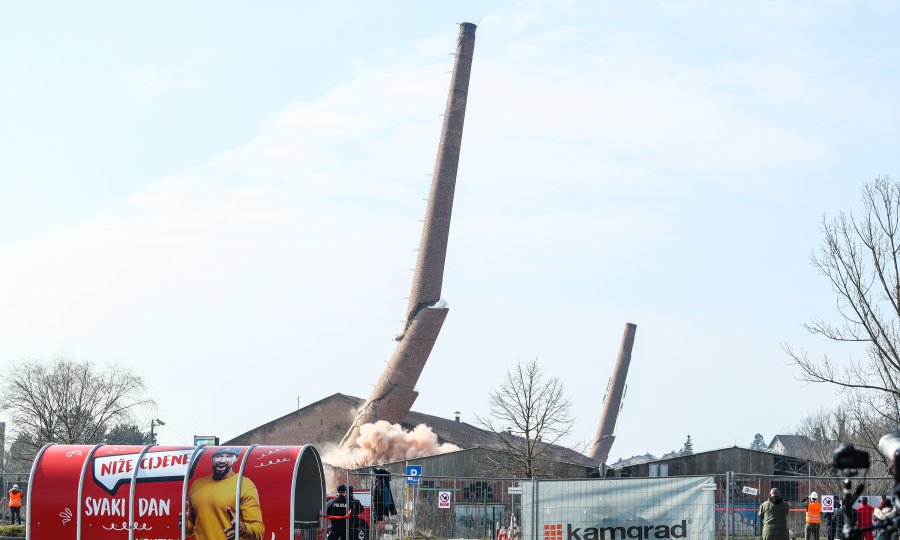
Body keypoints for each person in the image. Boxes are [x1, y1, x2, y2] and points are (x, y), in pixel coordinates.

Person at [185, 447, 265, 540]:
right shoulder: (197, 485)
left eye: (228, 456)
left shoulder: (244, 485)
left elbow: (259, 531)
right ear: (212, 459)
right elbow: (190, 529)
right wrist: (183, 523)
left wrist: (244, 529)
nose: (222, 460)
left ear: (235, 458)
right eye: (218, 456)